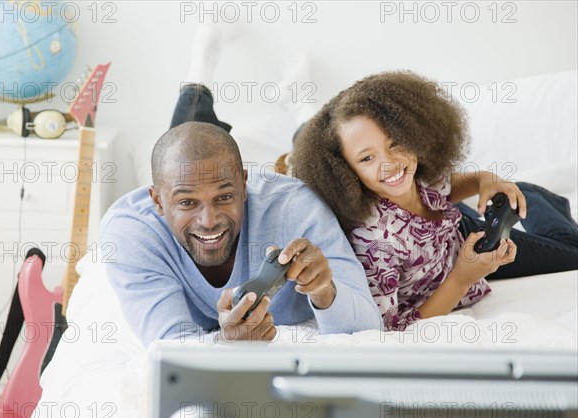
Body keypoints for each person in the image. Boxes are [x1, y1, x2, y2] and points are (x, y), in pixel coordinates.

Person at [98, 30, 382, 347]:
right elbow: (169, 349)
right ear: (157, 201)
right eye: (187, 203)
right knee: (186, 139)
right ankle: (201, 65)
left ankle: (301, 106)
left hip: (278, 186)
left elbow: (370, 328)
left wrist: (325, 291)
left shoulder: (297, 207)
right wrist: (226, 345)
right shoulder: (130, 233)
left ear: (244, 185)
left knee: (322, 159)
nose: (208, 220)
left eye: (224, 196)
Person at [290, 71, 578, 331]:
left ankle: (522, 190)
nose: (390, 163)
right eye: (367, 158)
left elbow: (443, 186)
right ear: (346, 172)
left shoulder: (414, 176)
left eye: (395, 144)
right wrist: (463, 277)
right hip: (459, 252)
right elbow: (393, 329)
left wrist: (482, 180)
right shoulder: (376, 245)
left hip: (449, 227)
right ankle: (534, 194)